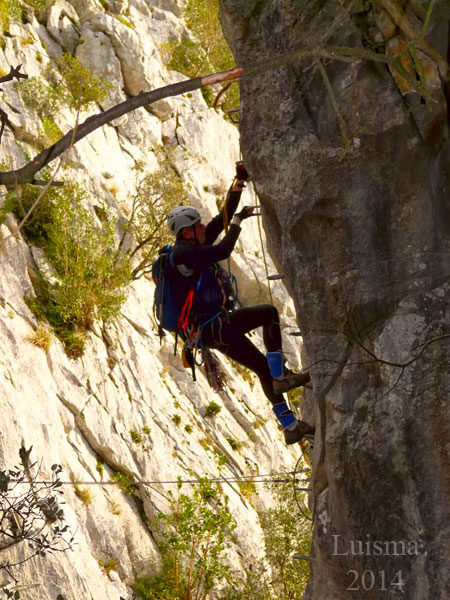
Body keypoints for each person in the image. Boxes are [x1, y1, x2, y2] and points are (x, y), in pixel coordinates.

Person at [166, 162, 314, 445]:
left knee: (260, 367)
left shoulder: (192, 246)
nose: (201, 227)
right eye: (196, 225)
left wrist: (239, 182)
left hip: (213, 331)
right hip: (216, 326)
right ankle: (281, 375)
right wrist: (237, 224)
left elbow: (221, 219)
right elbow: (223, 248)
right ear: (186, 232)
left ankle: (291, 425)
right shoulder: (184, 253)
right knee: (269, 314)